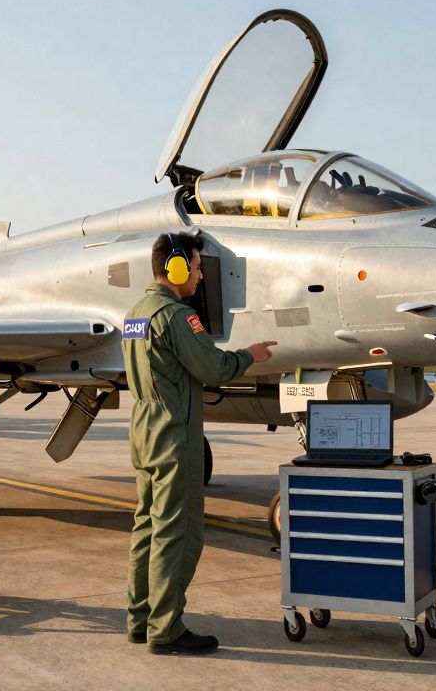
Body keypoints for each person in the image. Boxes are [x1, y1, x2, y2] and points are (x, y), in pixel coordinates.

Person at [122, 232, 276, 655]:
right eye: (194, 267)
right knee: (179, 533)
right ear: (173, 268)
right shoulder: (176, 316)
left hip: (145, 432)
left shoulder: (136, 314)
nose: (199, 278)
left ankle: (140, 619)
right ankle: (166, 628)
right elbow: (213, 368)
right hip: (174, 436)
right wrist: (249, 356)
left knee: (147, 528)